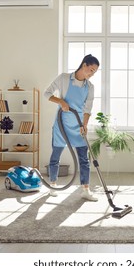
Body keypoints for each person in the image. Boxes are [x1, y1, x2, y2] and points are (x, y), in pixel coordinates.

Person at [44, 54, 100, 201]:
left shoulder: (90, 87)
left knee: (84, 159)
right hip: (61, 124)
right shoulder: (63, 78)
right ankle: (53, 185)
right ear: (84, 65)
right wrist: (61, 101)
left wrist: (85, 125)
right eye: (91, 70)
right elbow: (47, 93)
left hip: (78, 125)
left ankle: (85, 190)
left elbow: (87, 109)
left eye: (95, 72)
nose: (92, 74)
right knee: (56, 155)